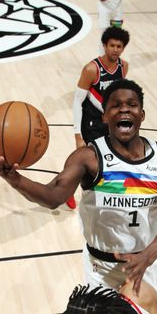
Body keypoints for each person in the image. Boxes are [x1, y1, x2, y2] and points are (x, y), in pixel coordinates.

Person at [0, 79, 157, 307]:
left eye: (131, 104)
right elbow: (54, 196)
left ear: (142, 114)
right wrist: (15, 179)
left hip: (148, 264)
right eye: (116, 106)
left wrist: (147, 257)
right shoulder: (88, 157)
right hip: (102, 270)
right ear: (105, 116)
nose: (125, 109)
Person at [65, 26, 130, 209]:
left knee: (111, 158)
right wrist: (78, 136)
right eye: (112, 45)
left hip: (109, 123)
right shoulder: (91, 69)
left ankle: (107, 195)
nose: (115, 50)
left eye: (119, 46)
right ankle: (67, 190)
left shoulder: (123, 67)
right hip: (90, 122)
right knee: (84, 162)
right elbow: (77, 102)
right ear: (104, 45)